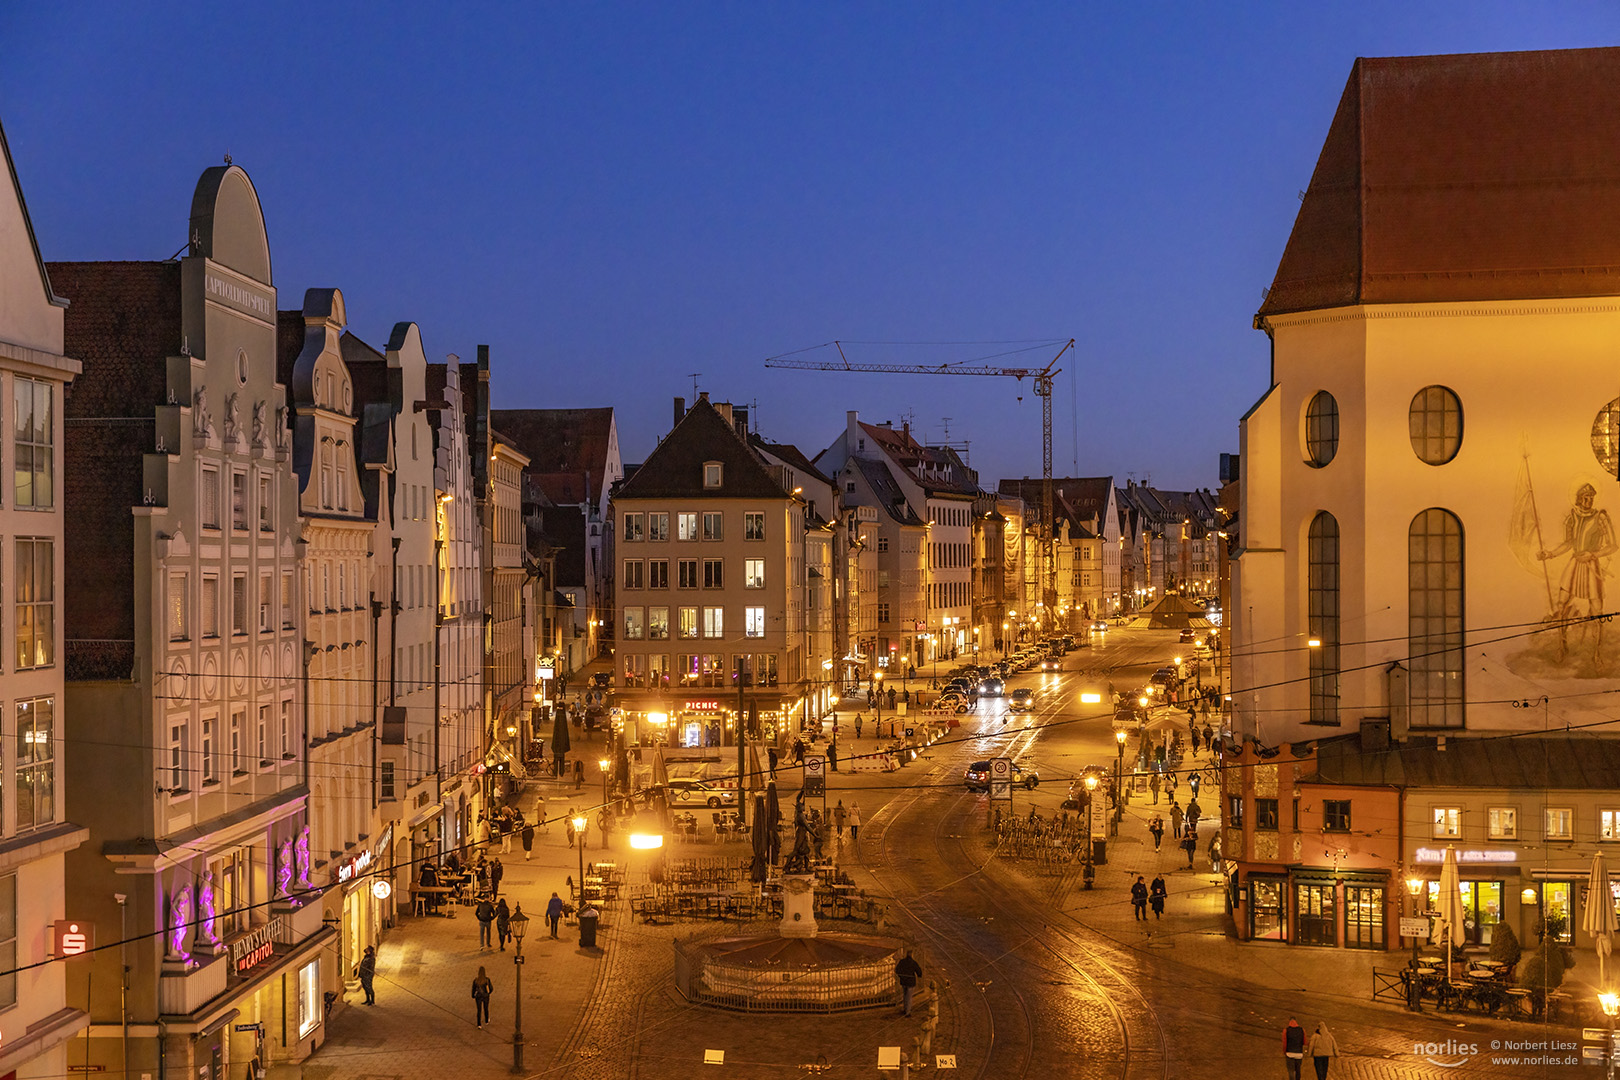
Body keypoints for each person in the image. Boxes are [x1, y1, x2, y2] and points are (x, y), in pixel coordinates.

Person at [895, 949, 923, 1016]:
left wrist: (901, 976)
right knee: (909, 997)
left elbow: (897, 970)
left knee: (905, 996)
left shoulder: (902, 962)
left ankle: (905, 1009)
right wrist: (919, 975)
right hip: (911, 983)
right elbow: (919, 972)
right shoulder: (913, 963)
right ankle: (908, 1012)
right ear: (912, 955)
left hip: (904, 982)